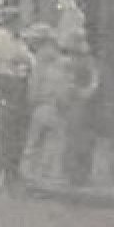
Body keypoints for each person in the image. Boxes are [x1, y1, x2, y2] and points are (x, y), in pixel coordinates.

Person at [22, 25, 69, 182]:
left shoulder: (40, 60)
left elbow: (35, 84)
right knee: (53, 140)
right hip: (56, 105)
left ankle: (30, 172)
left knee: (35, 140)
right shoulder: (60, 60)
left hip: (42, 105)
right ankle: (46, 172)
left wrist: (31, 100)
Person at [0, 9, 34, 193]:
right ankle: (4, 172)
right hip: (4, 82)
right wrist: (23, 62)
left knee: (15, 129)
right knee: (7, 128)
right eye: (17, 21)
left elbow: (30, 60)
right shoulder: (2, 37)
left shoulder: (17, 39)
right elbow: (16, 57)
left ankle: (10, 172)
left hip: (16, 83)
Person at [59, 30, 99, 185]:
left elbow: (94, 79)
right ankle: (75, 173)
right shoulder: (69, 62)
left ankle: (80, 173)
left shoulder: (87, 62)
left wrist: (85, 92)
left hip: (82, 102)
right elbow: (66, 80)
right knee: (75, 138)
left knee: (82, 138)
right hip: (75, 102)